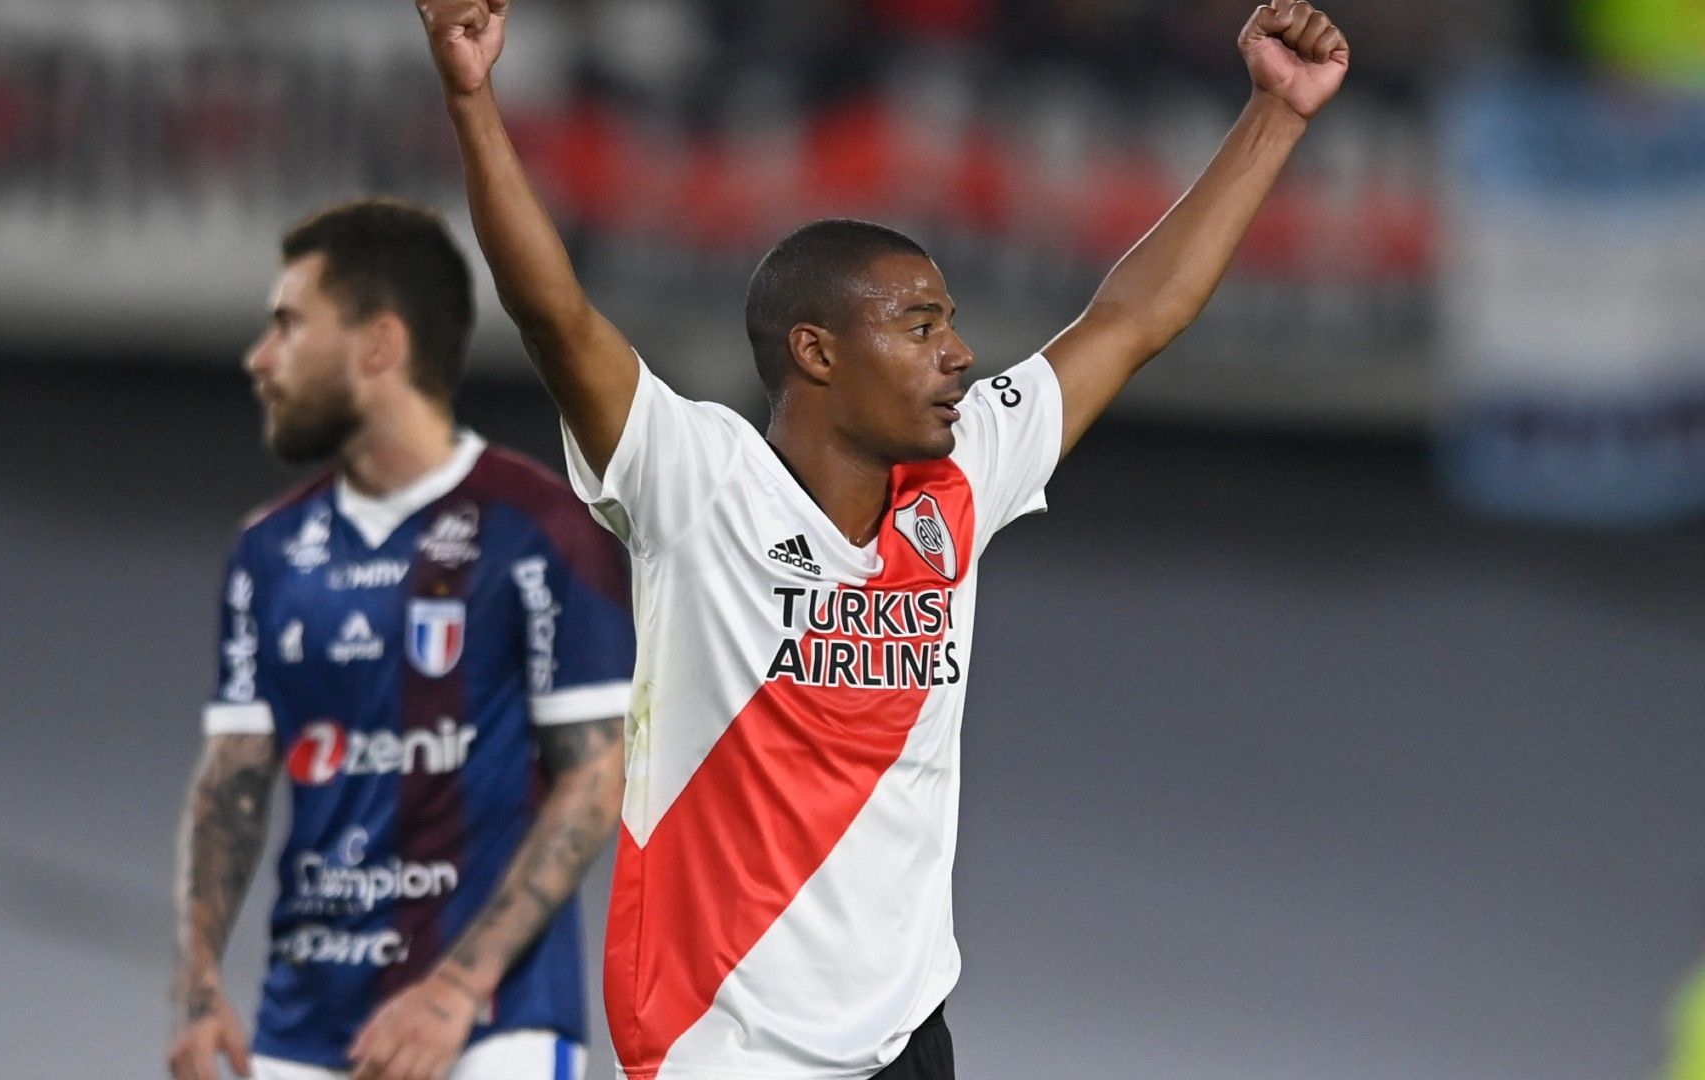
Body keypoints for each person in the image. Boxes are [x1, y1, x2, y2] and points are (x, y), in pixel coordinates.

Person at [415, 0, 1349, 1076]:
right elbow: (555, 313)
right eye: (919, 326)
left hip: (908, 1041)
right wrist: (474, 100)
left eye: (948, 323)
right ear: (815, 352)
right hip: (725, 1046)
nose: (958, 355)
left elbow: (1133, 317)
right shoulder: (696, 483)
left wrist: (1276, 112)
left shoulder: (960, 476)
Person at [167, 198, 635, 1080]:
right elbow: (231, 779)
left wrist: (458, 988)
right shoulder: (269, 549)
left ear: (379, 346)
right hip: (305, 1031)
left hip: (493, 1031)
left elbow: (595, 775)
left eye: (288, 327)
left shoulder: (540, 528)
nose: (259, 360)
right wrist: (198, 989)